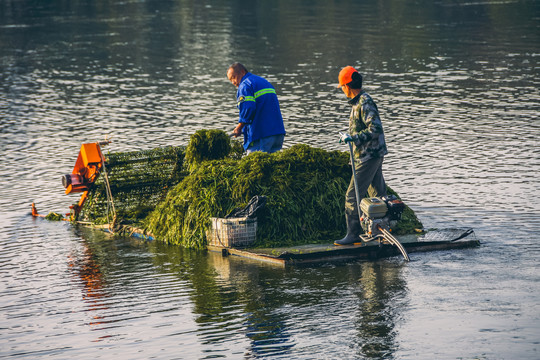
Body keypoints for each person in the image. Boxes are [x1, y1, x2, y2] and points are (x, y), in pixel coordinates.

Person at [334, 66, 388, 246]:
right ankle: (383, 230)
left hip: (368, 156)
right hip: (368, 155)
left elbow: (375, 128)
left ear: (348, 86)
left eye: (342, 86)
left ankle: (353, 234)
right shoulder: (357, 102)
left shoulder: (364, 102)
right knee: (378, 194)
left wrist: (354, 137)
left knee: (352, 195)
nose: (342, 90)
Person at [227, 62, 286, 154]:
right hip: (277, 133)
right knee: (273, 165)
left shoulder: (245, 85)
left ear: (242, 72)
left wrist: (239, 127)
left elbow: (248, 108)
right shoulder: (264, 82)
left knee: (253, 165)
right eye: (230, 80)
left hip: (261, 135)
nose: (233, 82)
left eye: (233, 77)